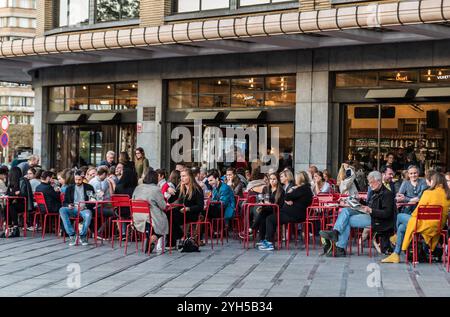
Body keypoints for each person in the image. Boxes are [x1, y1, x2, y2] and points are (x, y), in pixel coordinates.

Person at [320, 171, 396, 257]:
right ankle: (335, 232)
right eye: (369, 183)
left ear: (379, 181)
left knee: (347, 220)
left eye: (372, 182)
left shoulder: (387, 194)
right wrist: (359, 201)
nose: (370, 185)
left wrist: (371, 210)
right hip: (368, 213)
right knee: (345, 211)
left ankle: (340, 247)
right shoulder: (373, 191)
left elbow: (387, 213)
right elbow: (369, 204)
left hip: (377, 219)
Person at [382, 171, 450, 263]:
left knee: (400, 216)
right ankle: (396, 254)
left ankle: (396, 237)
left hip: (423, 225)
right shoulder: (447, 194)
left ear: (432, 181)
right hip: (437, 226)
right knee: (402, 227)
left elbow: (417, 212)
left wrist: (412, 216)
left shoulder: (428, 193)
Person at [258, 171, 313, 251]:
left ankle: (269, 243)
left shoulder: (302, 189)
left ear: (300, 179)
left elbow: (287, 196)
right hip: (293, 213)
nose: (295, 179)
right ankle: (269, 241)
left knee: (270, 219)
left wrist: (291, 191)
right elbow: (289, 198)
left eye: (296, 178)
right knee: (269, 217)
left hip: (294, 215)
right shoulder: (305, 189)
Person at [132, 170, 168, 253]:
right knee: (165, 221)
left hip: (137, 217)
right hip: (151, 218)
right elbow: (163, 206)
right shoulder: (156, 189)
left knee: (152, 221)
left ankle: (149, 237)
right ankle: (153, 237)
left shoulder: (138, 188)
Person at [167, 168, 204, 248]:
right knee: (168, 214)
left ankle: (173, 240)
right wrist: (169, 190)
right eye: (181, 176)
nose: (181, 178)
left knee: (170, 215)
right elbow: (170, 201)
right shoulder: (181, 187)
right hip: (181, 212)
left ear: (190, 177)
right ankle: (178, 237)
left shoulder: (197, 189)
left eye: (184, 176)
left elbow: (200, 207)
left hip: (191, 214)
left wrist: (188, 208)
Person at [59, 171, 95, 246]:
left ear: (83, 178)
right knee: (62, 210)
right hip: (73, 208)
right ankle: (72, 234)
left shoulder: (89, 187)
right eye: (76, 179)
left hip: (84, 209)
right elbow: (65, 202)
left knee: (88, 214)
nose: (77, 181)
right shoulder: (70, 188)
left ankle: (83, 235)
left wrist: (85, 206)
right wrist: (68, 205)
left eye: (79, 180)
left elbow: (93, 202)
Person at [253, 173, 285, 246]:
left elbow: (280, 205)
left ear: (277, 180)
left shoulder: (281, 191)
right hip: (267, 209)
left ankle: (253, 228)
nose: (272, 181)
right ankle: (262, 239)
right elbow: (262, 200)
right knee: (263, 216)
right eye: (270, 179)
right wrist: (261, 203)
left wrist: (270, 203)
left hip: (276, 211)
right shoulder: (266, 189)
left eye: (274, 179)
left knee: (264, 214)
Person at [2, 167, 33, 238]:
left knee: (11, 207)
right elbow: (8, 193)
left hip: (24, 204)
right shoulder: (12, 183)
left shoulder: (22, 181)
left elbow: (24, 194)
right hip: (17, 203)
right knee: (6, 207)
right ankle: (9, 228)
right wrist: (14, 193)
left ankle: (16, 228)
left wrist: (16, 194)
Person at [89, 166, 114, 239]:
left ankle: (102, 232)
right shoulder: (97, 183)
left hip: (96, 206)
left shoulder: (94, 181)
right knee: (115, 213)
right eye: (105, 175)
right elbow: (99, 197)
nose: (106, 177)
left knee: (111, 211)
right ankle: (100, 232)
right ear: (103, 174)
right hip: (96, 207)